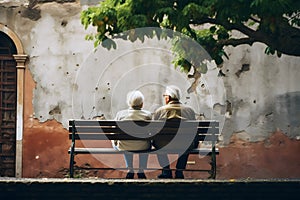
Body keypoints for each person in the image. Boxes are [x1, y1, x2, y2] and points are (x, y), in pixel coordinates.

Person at [152, 85, 196, 179]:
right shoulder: (189, 110)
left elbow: (154, 132)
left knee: (158, 143)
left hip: (163, 145)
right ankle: (179, 171)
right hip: (184, 145)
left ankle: (166, 171)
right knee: (186, 142)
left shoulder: (160, 111)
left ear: (168, 98)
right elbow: (194, 131)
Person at [113, 90, 152, 179]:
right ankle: (141, 170)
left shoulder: (120, 114)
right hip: (143, 146)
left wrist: (115, 142)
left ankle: (130, 169)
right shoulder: (147, 115)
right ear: (142, 104)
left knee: (125, 142)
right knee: (145, 142)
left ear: (129, 103)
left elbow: (114, 132)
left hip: (124, 146)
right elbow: (150, 133)